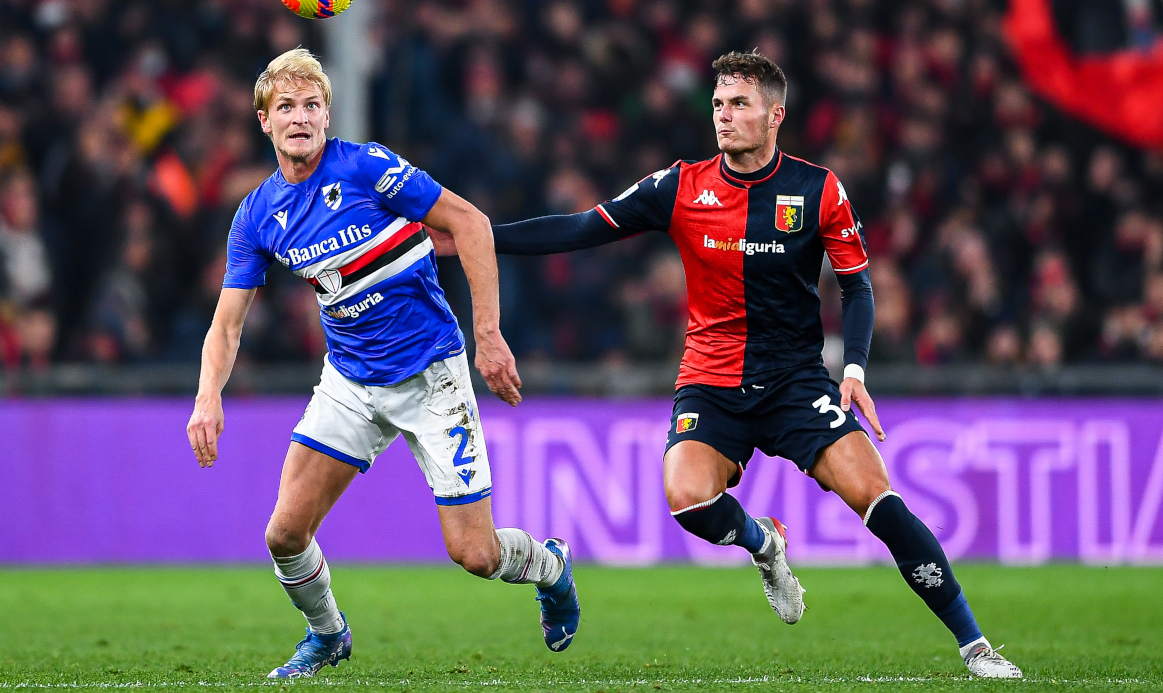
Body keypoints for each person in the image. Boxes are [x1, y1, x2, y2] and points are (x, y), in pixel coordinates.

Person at [433, 51, 1021, 679]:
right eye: (717, 103)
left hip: (796, 383)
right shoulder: (680, 187)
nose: (724, 115)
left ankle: (974, 644)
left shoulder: (818, 189)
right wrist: (477, 235)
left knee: (879, 500)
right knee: (685, 498)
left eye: (739, 104)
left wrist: (855, 370)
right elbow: (582, 227)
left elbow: (857, 287)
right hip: (711, 384)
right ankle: (764, 544)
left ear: (776, 115)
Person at [184, 49, 580, 680]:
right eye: (285, 106)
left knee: (475, 554)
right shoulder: (256, 215)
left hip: (431, 375)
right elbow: (226, 323)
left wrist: (489, 335)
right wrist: (208, 397)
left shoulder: (366, 167)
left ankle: (551, 567)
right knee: (284, 535)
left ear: (326, 113)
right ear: (264, 121)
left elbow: (471, 225)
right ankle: (327, 634)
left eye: (312, 105)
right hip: (349, 381)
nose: (301, 117)